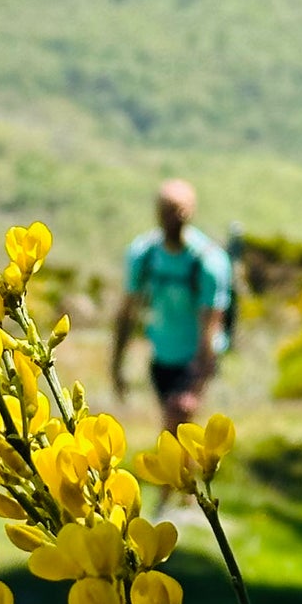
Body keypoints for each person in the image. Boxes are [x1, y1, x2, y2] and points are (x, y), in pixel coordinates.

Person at [112, 178, 233, 433]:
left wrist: (195, 387)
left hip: (193, 359)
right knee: (174, 434)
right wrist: (116, 365)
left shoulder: (209, 263)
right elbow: (127, 314)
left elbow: (210, 328)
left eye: (179, 210)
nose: (173, 217)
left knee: (177, 423)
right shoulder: (144, 255)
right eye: (167, 210)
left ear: (192, 212)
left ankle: (185, 472)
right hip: (161, 356)